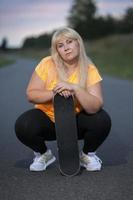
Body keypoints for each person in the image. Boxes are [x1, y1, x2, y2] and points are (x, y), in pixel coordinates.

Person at [15, 27, 111, 172]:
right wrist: (57, 92)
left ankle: (87, 155)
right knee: (24, 125)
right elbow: (31, 95)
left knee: (101, 119)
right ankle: (43, 154)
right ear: (57, 50)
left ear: (78, 43)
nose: (66, 48)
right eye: (60, 45)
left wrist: (75, 88)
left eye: (69, 42)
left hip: (74, 121)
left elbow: (95, 105)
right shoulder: (47, 63)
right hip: (49, 120)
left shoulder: (90, 69)